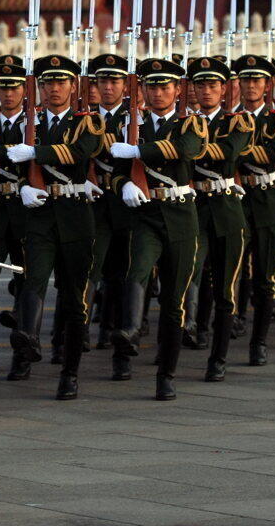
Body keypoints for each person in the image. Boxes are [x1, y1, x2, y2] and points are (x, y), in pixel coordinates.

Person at [4, 54, 103, 400]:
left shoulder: (87, 121)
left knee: (75, 298)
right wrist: (23, 187)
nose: (54, 89)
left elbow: (79, 152)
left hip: (75, 213)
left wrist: (36, 153)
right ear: (40, 87)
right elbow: (13, 164)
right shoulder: (28, 124)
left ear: (74, 86)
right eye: (47, 83)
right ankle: (27, 339)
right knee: (32, 278)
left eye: (61, 82)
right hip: (40, 215)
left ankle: (70, 372)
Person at [108, 57, 206, 400]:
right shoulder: (129, 123)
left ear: (178, 90)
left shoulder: (190, 123)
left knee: (173, 301)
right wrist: (123, 184)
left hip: (180, 214)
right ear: (142, 90)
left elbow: (186, 150)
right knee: (136, 271)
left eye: (165, 86)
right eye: (152, 86)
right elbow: (117, 167)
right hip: (147, 214)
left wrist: (138, 150)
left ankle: (167, 373)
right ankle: (131, 331)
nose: (159, 92)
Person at [188, 57, 254, 382]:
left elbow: (229, 151)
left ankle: (219, 357)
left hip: (227, 209)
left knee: (225, 289)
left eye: (212, 85)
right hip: (194, 207)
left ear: (224, 89)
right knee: (188, 274)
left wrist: (187, 147)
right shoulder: (183, 122)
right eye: (200, 85)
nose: (206, 90)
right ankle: (190, 328)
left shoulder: (239, 122)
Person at [231, 55, 275, 366]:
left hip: (269, 200)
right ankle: (235, 318)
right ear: (239, 84)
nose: (251, 85)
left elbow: (274, 153)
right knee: (235, 268)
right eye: (246, 79)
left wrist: (234, 149)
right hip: (238, 198)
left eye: (257, 80)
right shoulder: (228, 118)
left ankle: (260, 340)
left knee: (266, 275)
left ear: (268, 85)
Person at [0, 56, 31, 377]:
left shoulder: (35, 123)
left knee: (27, 284)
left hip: (27, 212)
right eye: (3, 87)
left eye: (14, 87)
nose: (9, 93)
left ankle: (23, 356)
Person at [88, 53, 134, 379]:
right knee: (88, 273)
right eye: (103, 80)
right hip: (92, 204)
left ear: (124, 84)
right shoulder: (84, 118)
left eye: (114, 80)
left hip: (125, 205)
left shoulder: (136, 119)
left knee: (121, 276)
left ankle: (121, 350)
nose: (108, 86)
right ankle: (70, 344)